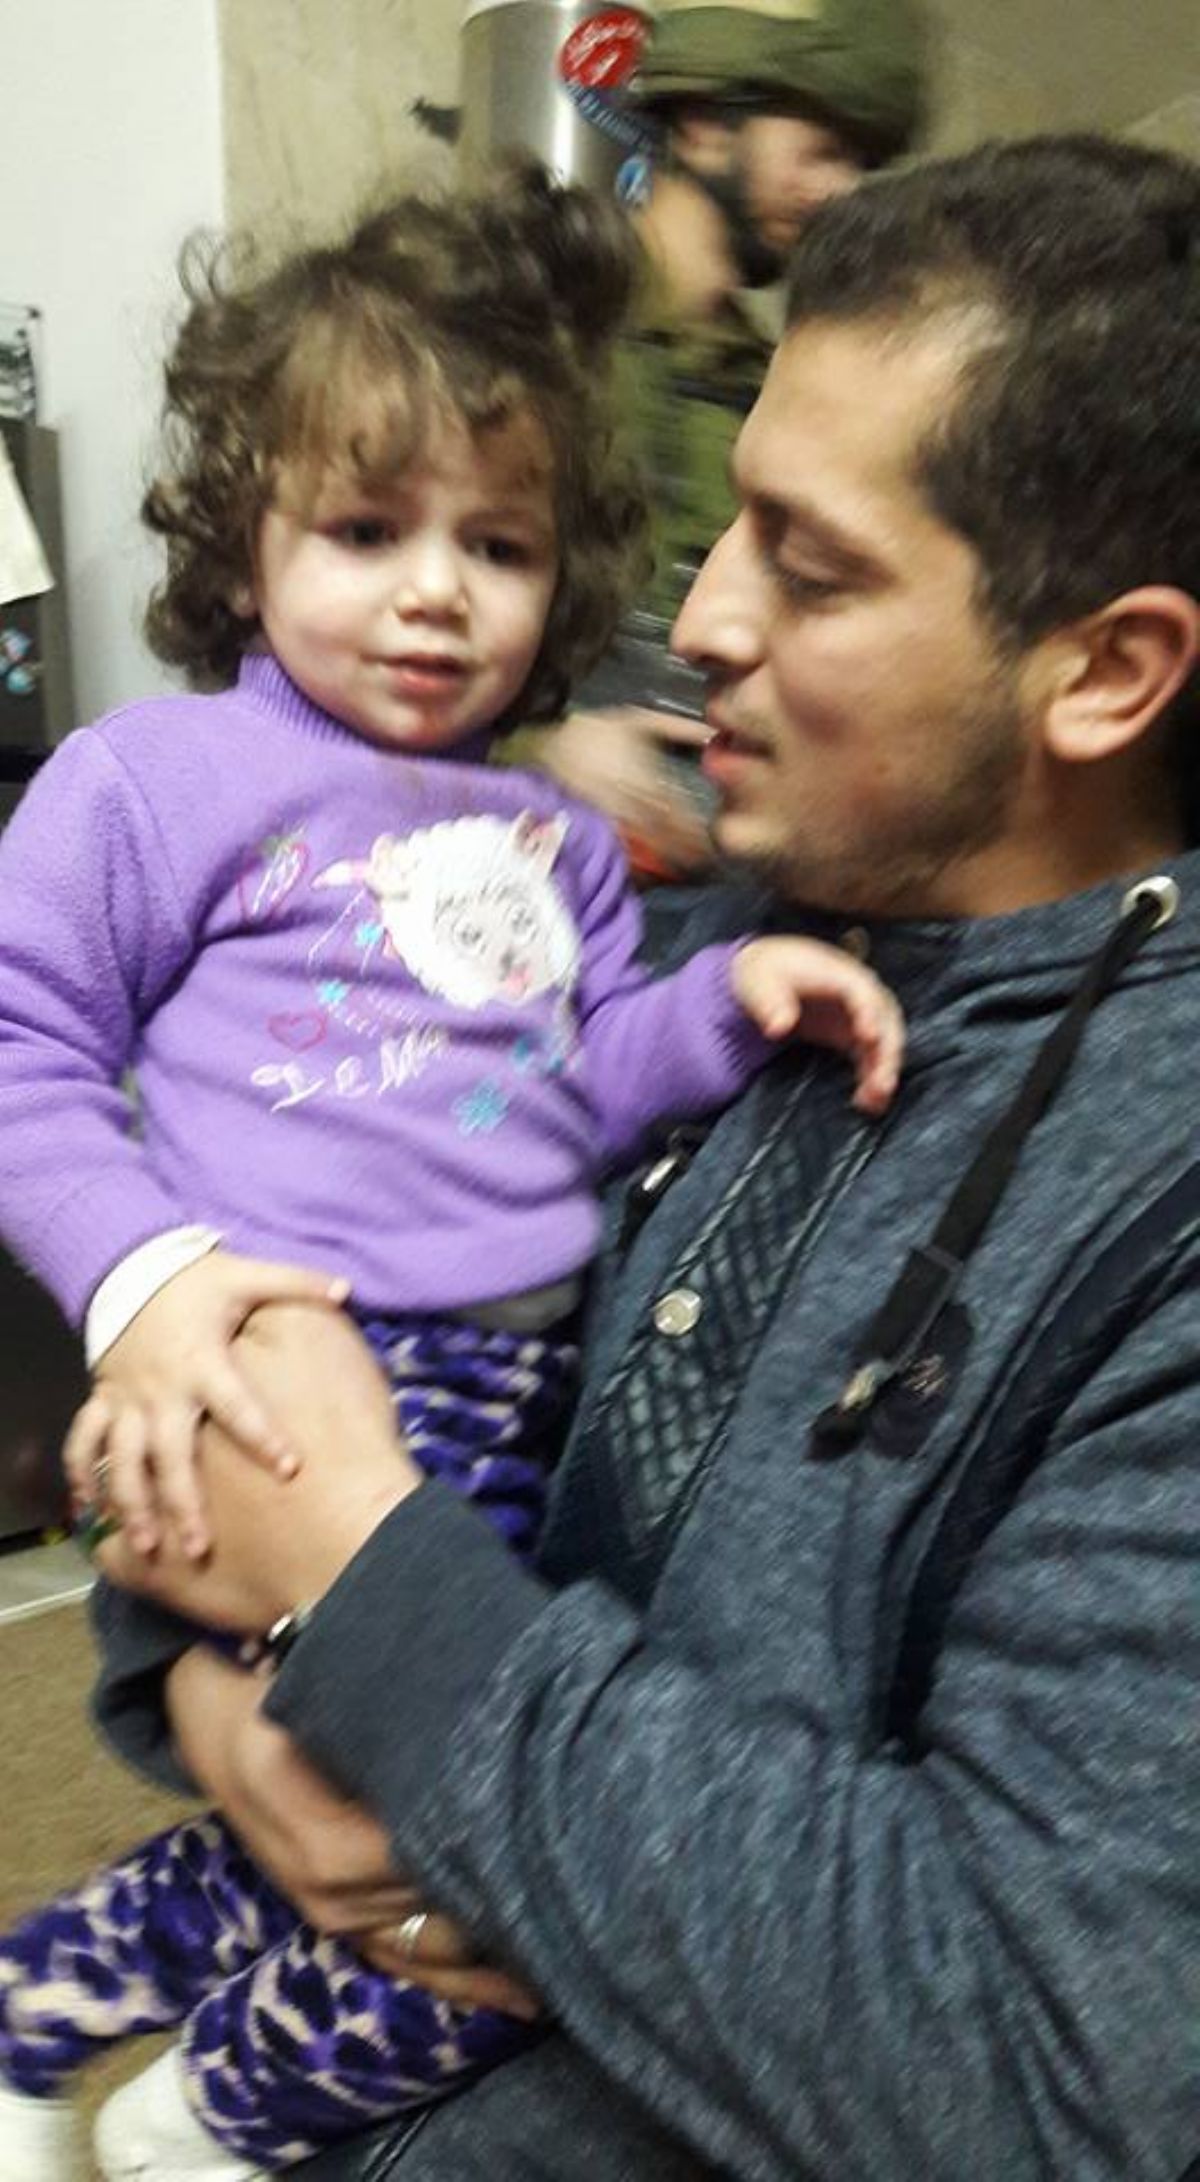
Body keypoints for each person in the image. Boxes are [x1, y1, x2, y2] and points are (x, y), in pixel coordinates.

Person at [72, 132, 1200, 2181]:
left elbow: (1047, 2068)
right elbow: (324, 1345)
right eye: (724, 522)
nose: (699, 618)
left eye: (810, 566)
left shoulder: (1158, 1204)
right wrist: (225, 1691)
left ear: (1105, 669)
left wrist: (364, 1604)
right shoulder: (696, 951)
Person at [0, 162, 904, 2182]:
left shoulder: (558, 841)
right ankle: (208, 2117)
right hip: (273, 1372)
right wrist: (141, 1282)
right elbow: (16, 1040)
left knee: (368, 1833)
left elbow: (578, 1083)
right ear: (245, 535)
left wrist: (726, 1001)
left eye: (496, 545)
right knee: (450, 1864)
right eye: (366, 530)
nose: (435, 593)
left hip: (512, 1402)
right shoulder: (152, 779)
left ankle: (51, 2013)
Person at [506, 0, 930, 884]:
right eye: (821, 151)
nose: (841, 192)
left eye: (859, 165)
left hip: (720, 863)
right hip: (512, 856)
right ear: (703, 127)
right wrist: (540, 750)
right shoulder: (538, 315)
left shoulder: (783, 383)